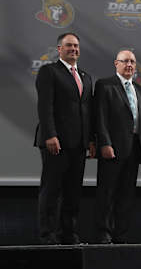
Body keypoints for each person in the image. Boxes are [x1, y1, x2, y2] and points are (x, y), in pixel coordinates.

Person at [34, 32, 95, 245]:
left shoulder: (85, 77)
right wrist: (50, 134)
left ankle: (68, 234)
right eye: (69, 46)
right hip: (56, 143)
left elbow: (88, 111)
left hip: (78, 144)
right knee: (51, 190)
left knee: (73, 192)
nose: (74, 49)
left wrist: (91, 140)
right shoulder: (49, 71)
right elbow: (45, 106)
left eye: (76, 46)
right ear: (59, 49)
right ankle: (47, 235)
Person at [93, 50, 141, 244]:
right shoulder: (105, 85)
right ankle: (104, 233)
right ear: (116, 63)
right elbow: (100, 117)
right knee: (107, 192)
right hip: (112, 148)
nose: (129, 65)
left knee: (127, 194)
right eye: (125, 61)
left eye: (132, 61)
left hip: (134, 149)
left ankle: (121, 233)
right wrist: (105, 143)